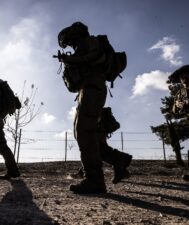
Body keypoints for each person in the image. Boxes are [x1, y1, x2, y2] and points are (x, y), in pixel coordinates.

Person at [56, 22, 112, 194]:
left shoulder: (90, 41)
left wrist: (71, 60)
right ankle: (93, 178)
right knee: (82, 131)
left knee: (85, 131)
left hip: (93, 88)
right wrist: (68, 67)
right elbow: (73, 86)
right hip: (85, 90)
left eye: (70, 41)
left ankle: (94, 180)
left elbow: (97, 56)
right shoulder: (81, 49)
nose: (71, 46)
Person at [76, 107, 132, 184]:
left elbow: (116, 125)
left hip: (97, 138)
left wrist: (99, 128)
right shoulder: (91, 111)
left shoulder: (101, 112)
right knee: (94, 153)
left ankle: (121, 160)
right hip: (95, 138)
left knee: (96, 151)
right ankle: (122, 168)